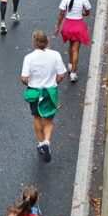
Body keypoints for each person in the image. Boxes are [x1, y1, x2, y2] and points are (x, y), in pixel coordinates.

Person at [21, 31, 67, 162]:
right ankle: (47, 142)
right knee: (49, 120)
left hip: (35, 91)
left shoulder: (29, 58)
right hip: (50, 91)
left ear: (34, 42)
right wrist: (54, 82)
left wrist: (31, 83)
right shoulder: (55, 55)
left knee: (36, 116)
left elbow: (24, 78)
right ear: (47, 42)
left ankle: (41, 143)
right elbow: (62, 74)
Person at [54, 0, 92, 84]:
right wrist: (82, 13)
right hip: (78, 26)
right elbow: (87, 12)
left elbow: (62, 13)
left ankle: (70, 64)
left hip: (68, 26)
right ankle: (73, 73)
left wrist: (57, 26)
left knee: (71, 46)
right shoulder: (84, 0)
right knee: (76, 49)